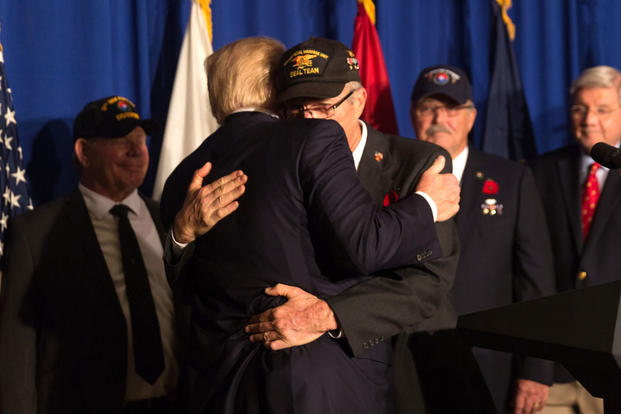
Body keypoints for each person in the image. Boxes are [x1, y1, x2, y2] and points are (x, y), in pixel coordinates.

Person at [160, 36, 459, 414]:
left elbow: (429, 279)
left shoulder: (419, 163)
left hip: (394, 364)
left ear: (359, 101)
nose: (309, 119)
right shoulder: (278, 152)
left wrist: (329, 315)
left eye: (322, 107)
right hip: (290, 381)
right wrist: (181, 235)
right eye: (296, 108)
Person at [0, 96, 245, 414]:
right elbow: (16, 356)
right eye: (121, 140)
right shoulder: (35, 235)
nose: (136, 151)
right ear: (83, 152)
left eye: (141, 140)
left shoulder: (171, 221)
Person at [410, 64, 556, 414]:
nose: (438, 118)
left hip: (489, 361)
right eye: (429, 107)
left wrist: (536, 369)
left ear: (471, 117)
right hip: (407, 357)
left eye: (451, 108)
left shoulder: (512, 179)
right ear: (413, 113)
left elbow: (535, 281)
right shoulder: (387, 176)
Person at [529, 65, 621, 414]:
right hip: (554, 367)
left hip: (616, 364)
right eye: (579, 109)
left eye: (602, 109)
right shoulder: (537, 173)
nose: (588, 119)